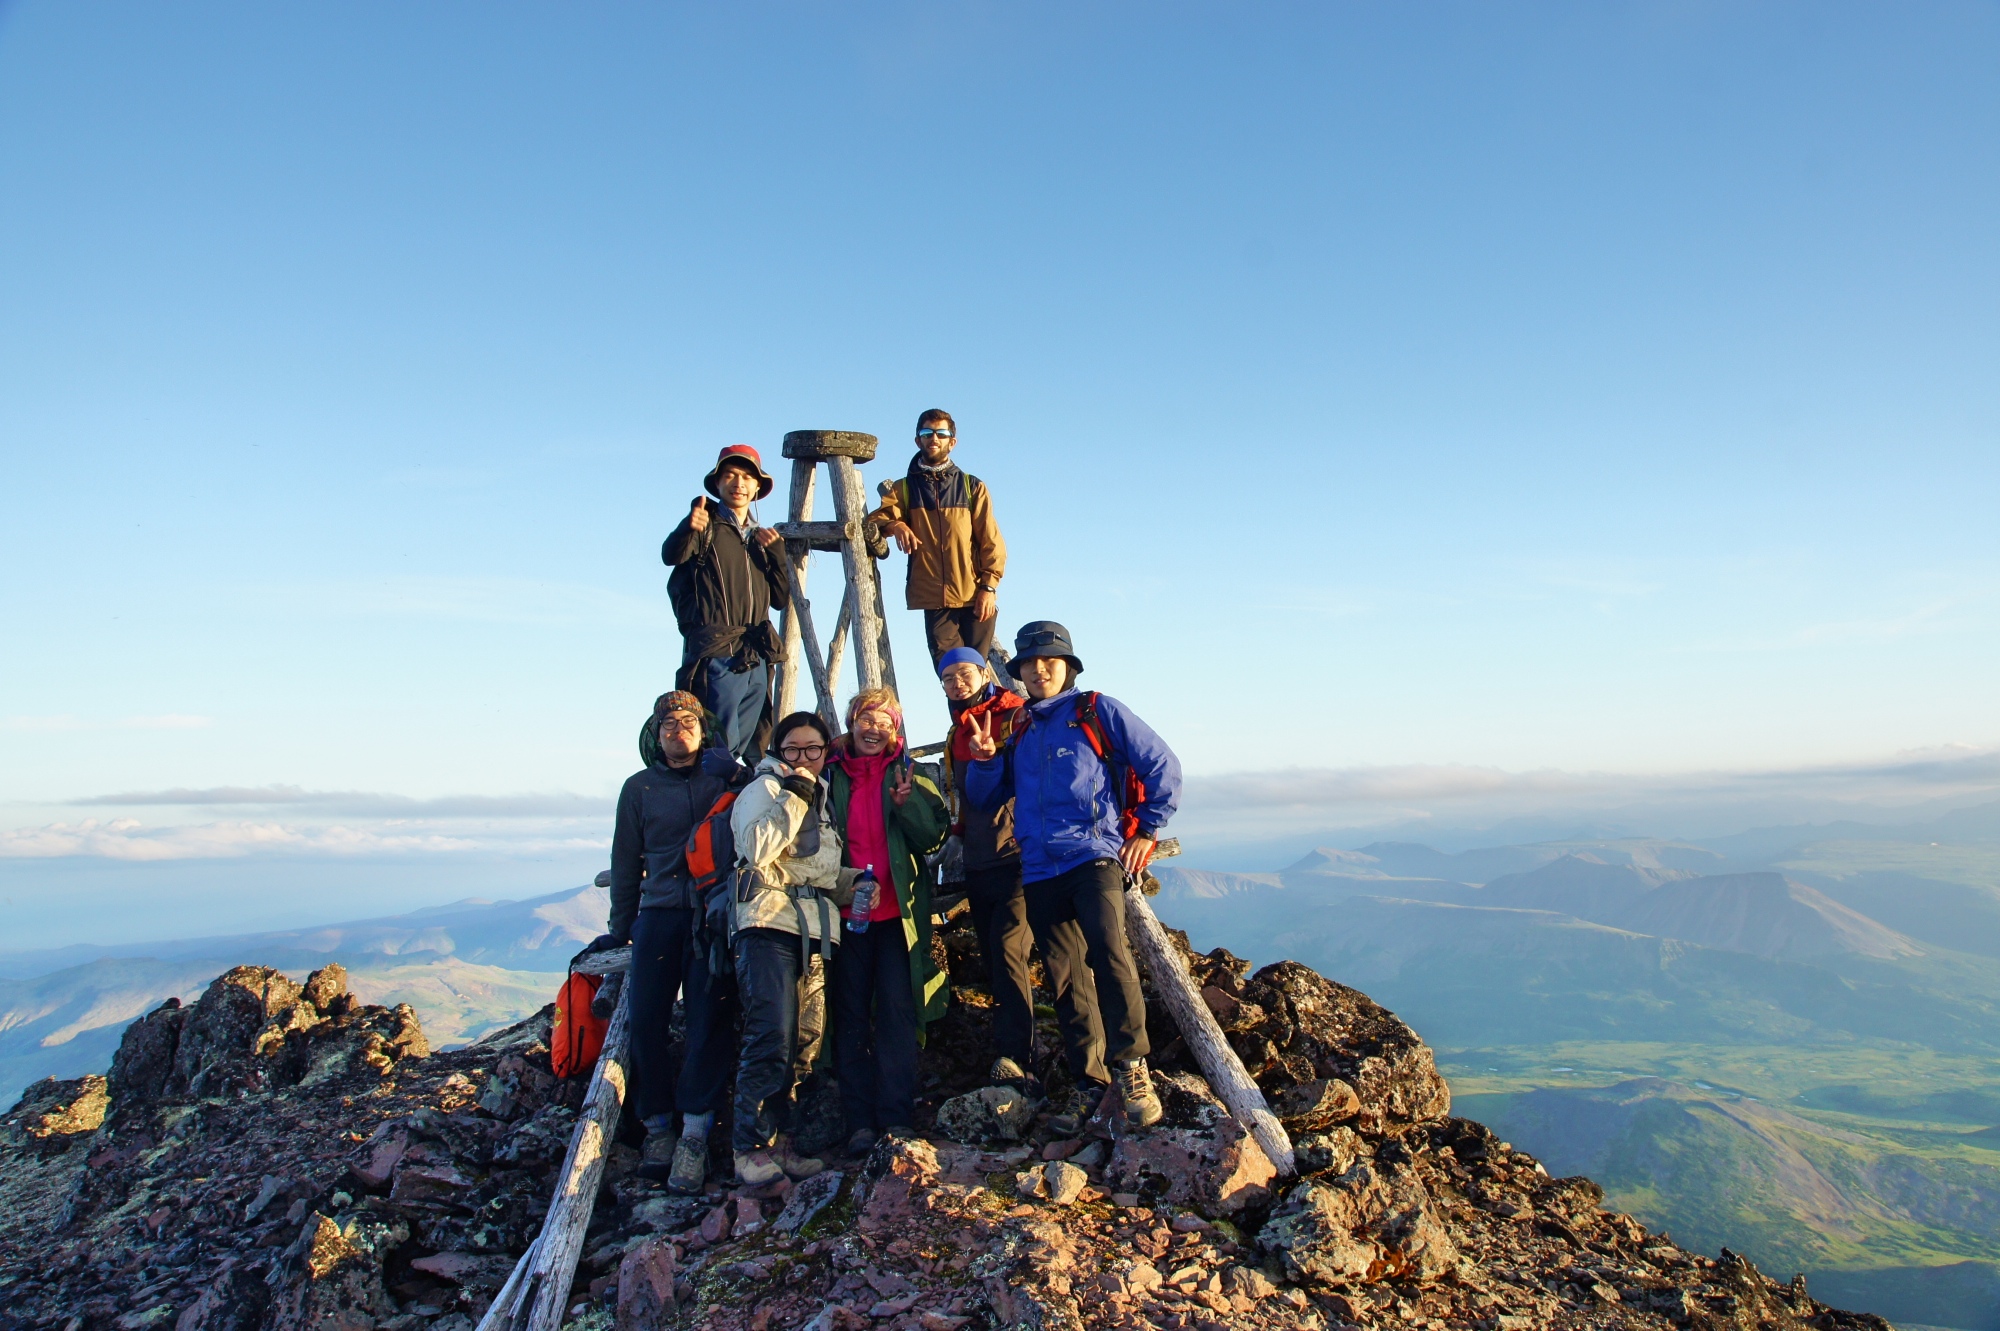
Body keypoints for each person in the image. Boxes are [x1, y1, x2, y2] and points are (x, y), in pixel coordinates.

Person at [964, 621, 1182, 1129]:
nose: (1039, 670)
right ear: (1018, 671)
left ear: (1068, 667)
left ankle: (1131, 1067)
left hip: (1093, 858)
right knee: (1064, 979)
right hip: (1039, 868)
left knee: (1110, 956)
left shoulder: (1096, 711)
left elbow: (1162, 764)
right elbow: (984, 797)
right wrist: (985, 761)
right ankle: (1089, 1083)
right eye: (1029, 663)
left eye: (1049, 661)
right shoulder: (1020, 729)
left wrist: (1147, 828)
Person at [937, 646, 1107, 1095]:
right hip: (979, 858)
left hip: (1018, 857)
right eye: (948, 678)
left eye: (964, 674)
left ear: (984, 671)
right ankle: (1016, 1054)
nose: (957, 683)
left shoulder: (1016, 715)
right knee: (996, 958)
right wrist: (957, 832)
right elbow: (969, 794)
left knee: (1011, 949)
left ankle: (1019, 1058)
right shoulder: (957, 730)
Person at [599, 691, 748, 1192]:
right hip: (659, 914)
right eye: (667, 724)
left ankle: (694, 1135)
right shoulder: (638, 789)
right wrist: (621, 928)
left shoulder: (724, 778)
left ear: (703, 730)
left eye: (687, 721)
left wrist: (738, 774)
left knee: (709, 1019)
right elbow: (625, 862)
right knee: (646, 1019)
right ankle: (658, 1127)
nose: (677, 729)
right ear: (655, 734)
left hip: (711, 916)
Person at [725, 710, 856, 1185]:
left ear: (825, 751)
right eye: (793, 749)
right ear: (778, 751)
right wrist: (795, 797)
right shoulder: (764, 790)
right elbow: (756, 850)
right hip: (766, 925)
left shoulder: (822, 800)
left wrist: (855, 882)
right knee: (771, 1035)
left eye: (813, 749)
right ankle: (750, 1147)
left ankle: (783, 1143)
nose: (803, 758)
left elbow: (815, 872)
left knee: (806, 1040)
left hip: (815, 929)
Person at [827, 688, 950, 1156]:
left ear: (895, 729)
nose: (873, 728)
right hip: (844, 917)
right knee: (851, 1016)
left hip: (898, 917)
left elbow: (932, 837)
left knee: (898, 1015)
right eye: (865, 719)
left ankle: (896, 1118)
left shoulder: (910, 775)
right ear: (852, 724)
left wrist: (907, 804)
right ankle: (859, 1121)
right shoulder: (831, 777)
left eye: (883, 721)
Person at [663, 444, 790, 763]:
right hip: (717, 654)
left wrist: (776, 553)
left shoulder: (762, 540)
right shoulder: (704, 525)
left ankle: (738, 809)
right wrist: (687, 527)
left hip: (757, 655)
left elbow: (781, 598)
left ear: (757, 487)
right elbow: (671, 556)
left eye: (747, 477)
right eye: (730, 475)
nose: (739, 483)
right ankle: (709, 811)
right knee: (715, 747)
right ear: (717, 483)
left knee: (754, 748)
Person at [867, 410, 1007, 667]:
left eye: (941, 433)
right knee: (950, 673)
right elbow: (873, 521)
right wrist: (896, 524)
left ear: (952, 442)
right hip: (934, 600)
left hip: (975, 595)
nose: (934, 438)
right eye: (927, 432)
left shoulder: (971, 487)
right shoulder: (904, 489)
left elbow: (991, 541)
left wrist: (989, 587)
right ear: (917, 440)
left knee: (976, 671)